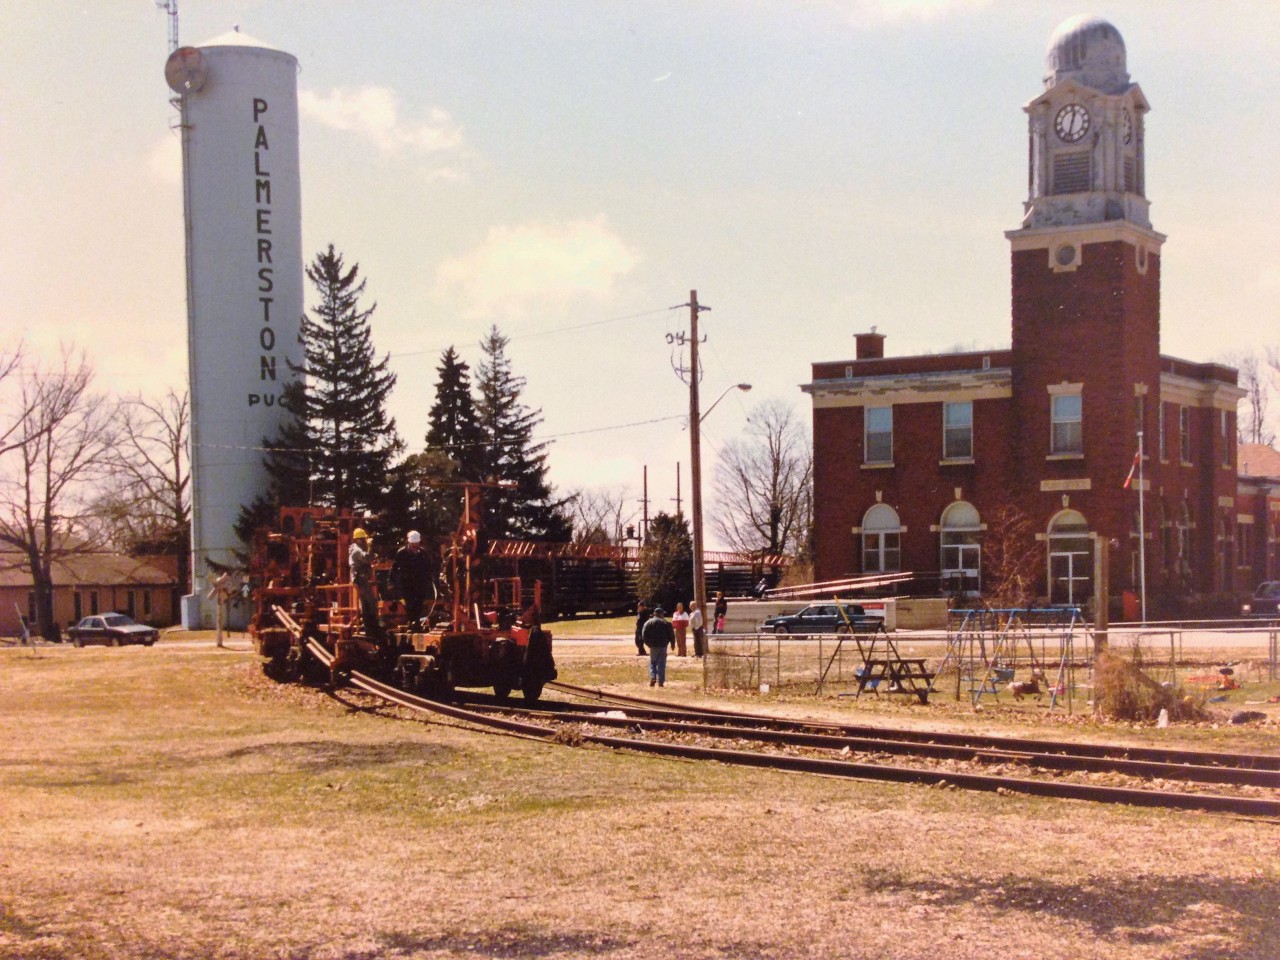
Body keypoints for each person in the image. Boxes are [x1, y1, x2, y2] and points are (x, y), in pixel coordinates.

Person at [391, 530, 433, 628]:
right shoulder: (401, 553)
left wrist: (429, 580)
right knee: (409, 603)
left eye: (416, 544)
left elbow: (428, 568)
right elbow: (394, 568)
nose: (415, 547)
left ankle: (416, 621)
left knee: (419, 602)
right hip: (406, 584)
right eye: (413, 545)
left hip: (420, 583)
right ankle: (412, 621)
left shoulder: (423, 554)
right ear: (408, 542)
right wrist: (392, 582)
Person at [348, 528, 382, 640]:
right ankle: (374, 626)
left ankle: (369, 629)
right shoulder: (357, 550)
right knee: (371, 602)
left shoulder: (355, 549)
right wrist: (370, 547)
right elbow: (367, 558)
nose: (364, 541)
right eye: (362, 539)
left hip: (359, 579)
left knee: (366, 604)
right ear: (357, 539)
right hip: (360, 579)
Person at [641, 606, 676, 687]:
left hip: (653, 646)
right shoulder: (666, 623)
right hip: (663, 646)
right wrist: (672, 644)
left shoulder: (648, 623)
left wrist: (648, 644)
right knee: (661, 663)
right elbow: (671, 634)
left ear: (654, 614)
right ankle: (661, 681)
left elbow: (644, 634)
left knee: (653, 662)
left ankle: (653, 677)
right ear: (661, 614)